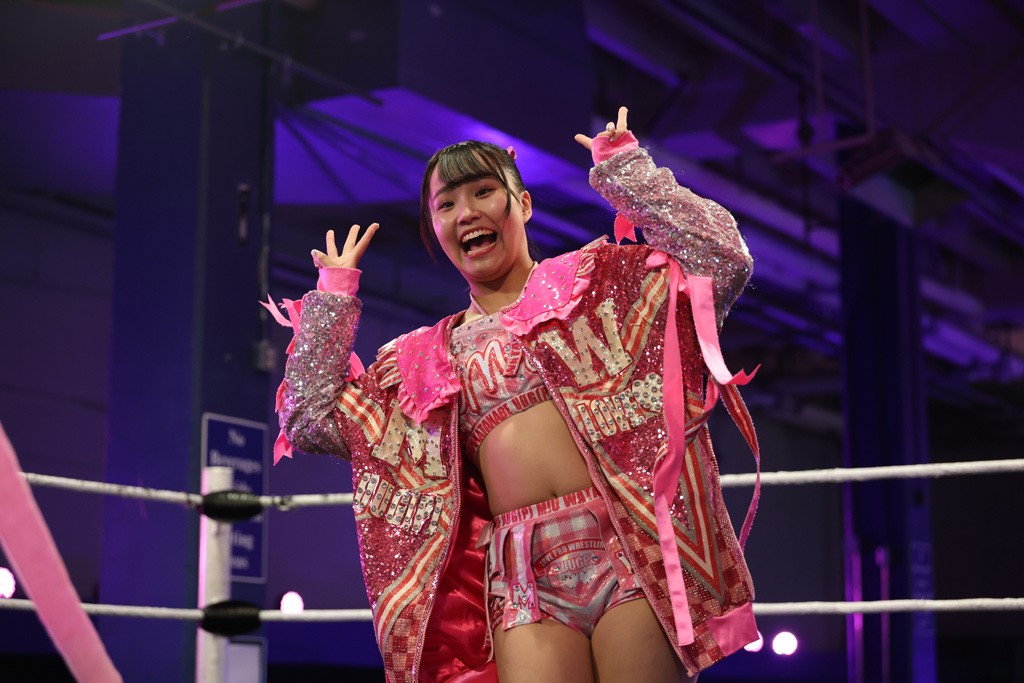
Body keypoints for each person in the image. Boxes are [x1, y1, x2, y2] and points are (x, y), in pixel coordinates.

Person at [268, 107, 760, 683]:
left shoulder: (597, 284)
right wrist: (333, 301)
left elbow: (723, 259)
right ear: (436, 231)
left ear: (523, 204)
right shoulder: (421, 359)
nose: (466, 212)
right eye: (446, 204)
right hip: (521, 577)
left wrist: (627, 172)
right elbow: (309, 419)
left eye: (483, 191)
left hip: (628, 548)